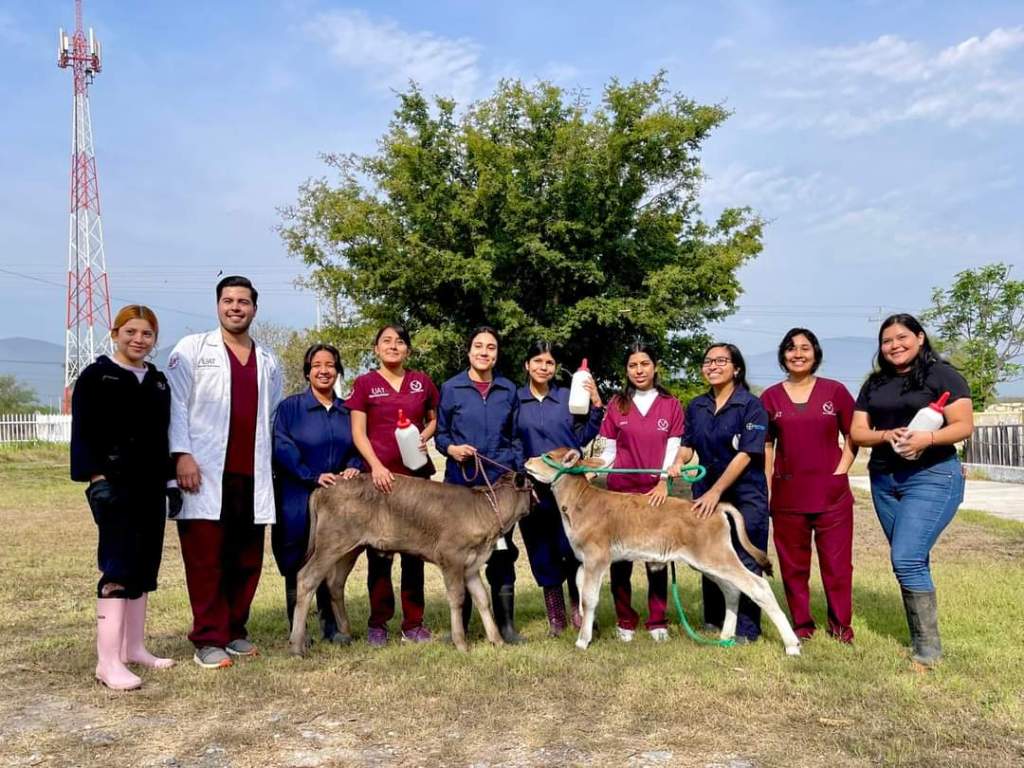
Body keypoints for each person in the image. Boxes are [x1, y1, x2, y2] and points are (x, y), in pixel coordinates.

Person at [167, 275, 283, 669]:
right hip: (203, 472)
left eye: (243, 301)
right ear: (218, 305)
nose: (236, 307)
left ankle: (234, 629)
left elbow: (272, 414)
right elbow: (176, 404)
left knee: (246, 559)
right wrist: (182, 454)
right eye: (228, 300)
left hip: (252, 474)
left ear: (254, 308)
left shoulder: (268, 360)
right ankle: (208, 638)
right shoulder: (193, 349)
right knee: (206, 559)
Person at [850, 313, 972, 666]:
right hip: (884, 480)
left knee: (905, 558)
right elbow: (858, 431)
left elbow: (964, 425)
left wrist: (927, 437)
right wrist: (885, 435)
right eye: (887, 341)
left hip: (931, 475)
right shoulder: (875, 384)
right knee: (911, 558)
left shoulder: (943, 375)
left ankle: (927, 652)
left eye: (902, 337)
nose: (894, 345)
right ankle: (922, 639)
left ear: (919, 337)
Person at [71, 305, 177, 690]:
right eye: (131, 331)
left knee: (144, 564)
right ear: (115, 333)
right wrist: (96, 478)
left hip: (151, 486)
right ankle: (108, 661)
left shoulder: (158, 381)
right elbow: (83, 432)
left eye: (147, 333)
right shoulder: (96, 376)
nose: (138, 339)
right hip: (113, 484)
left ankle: (133, 648)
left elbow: (165, 435)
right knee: (117, 565)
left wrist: (170, 481)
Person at [761, 328, 857, 643]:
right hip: (788, 496)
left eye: (805, 347)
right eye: (791, 348)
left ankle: (841, 627)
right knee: (793, 567)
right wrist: (767, 486)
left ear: (815, 353)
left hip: (832, 496)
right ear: (783, 355)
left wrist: (841, 471)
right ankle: (802, 626)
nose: (798, 354)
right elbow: (766, 446)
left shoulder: (835, 391)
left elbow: (854, 434)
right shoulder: (770, 397)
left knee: (837, 566)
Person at [347, 324, 440, 646]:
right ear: (376, 349)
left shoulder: (421, 382)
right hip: (380, 482)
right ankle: (378, 623)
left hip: (415, 480)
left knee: (415, 553)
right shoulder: (365, 384)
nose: (393, 346)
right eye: (386, 341)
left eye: (400, 342)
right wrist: (375, 467)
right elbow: (358, 433)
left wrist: (424, 436)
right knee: (379, 553)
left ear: (408, 350)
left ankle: (413, 623)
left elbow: (433, 419)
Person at [435, 326, 525, 643]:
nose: (484, 352)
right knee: (459, 554)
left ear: (497, 354)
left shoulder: (508, 389)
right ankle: (460, 625)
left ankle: (506, 626)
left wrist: (514, 473)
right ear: (469, 351)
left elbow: (516, 437)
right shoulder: (451, 388)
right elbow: (441, 434)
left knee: (501, 552)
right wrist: (452, 449)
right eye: (478, 346)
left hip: (499, 486)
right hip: (461, 486)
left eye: (491, 347)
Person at [676, 342, 769, 644]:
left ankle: (747, 629)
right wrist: (678, 461)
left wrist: (717, 492)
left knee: (745, 557)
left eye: (721, 361)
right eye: (708, 361)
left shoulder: (751, 406)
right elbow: (688, 445)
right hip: (705, 491)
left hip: (745, 494)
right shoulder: (697, 405)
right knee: (708, 553)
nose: (713, 366)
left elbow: (747, 453)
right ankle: (714, 620)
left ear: (736, 368)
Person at [273, 343, 362, 645]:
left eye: (330, 365)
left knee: (330, 554)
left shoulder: (347, 410)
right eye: (317, 366)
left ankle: (330, 625)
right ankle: (297, 627)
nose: (324, 371)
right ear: (307, 372)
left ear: (338, 371)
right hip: (297, 493)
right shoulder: (291, 408)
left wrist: (353, 467)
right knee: (296, 554)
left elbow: (359, 444)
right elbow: (282, 445)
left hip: (336, 499)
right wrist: (311, 475)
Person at [597, 342, 685, 643]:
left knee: (657, 558)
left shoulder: (671, 404)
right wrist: (592, 470)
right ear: (626, 370)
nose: (639, 370)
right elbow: (608, 452)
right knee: (619, 561)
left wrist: (663, 482)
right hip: (620, 495)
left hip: (654, 495)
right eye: (633, 365)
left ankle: (657, 620)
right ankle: (625, 619)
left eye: (644, 364)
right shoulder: (616, 404)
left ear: (655, 366)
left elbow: (673, 450)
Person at [514, 341, 604, 636]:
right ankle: (555, 615)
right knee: (541, 548)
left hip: (570, 487)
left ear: (556, 368)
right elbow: (512, 439)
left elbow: (583, 434)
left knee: (573, 547)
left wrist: (596, 404)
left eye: (549, 363)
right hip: (533, 487)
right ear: (527, 365)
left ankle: (579, 609)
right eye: (538, 361)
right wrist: (522, 470)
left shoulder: (567, 397)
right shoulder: (516, 400)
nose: (543, 367)